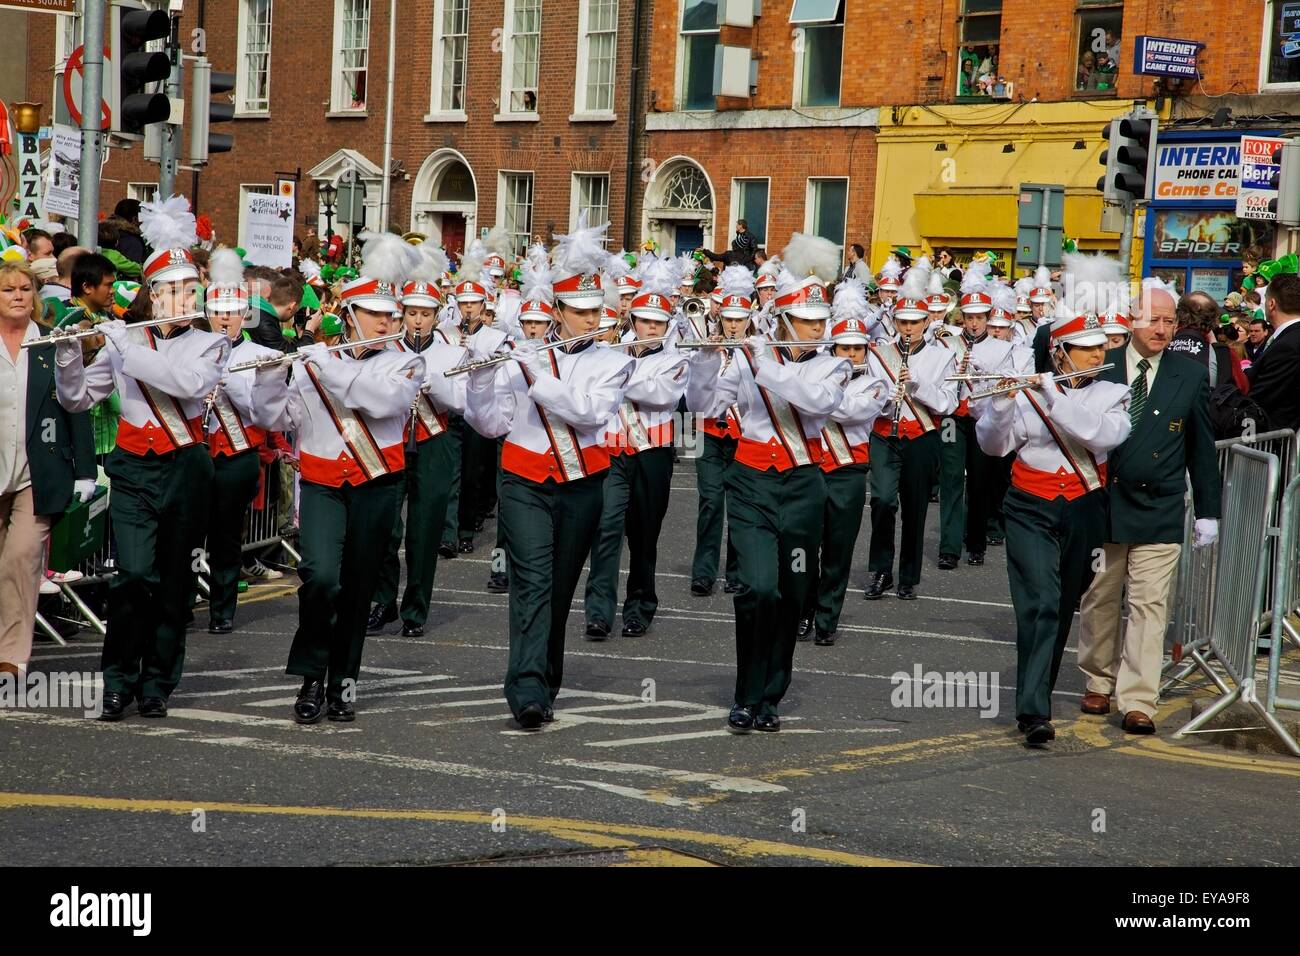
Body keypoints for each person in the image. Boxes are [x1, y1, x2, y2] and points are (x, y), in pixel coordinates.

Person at [54, 195, 229, 721]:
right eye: (170, 289)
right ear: (151, 295)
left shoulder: (209, 344)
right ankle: (117, 679)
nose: (180, 297)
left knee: (173, 581)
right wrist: (68, 355)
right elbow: (78, 399)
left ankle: (158, 681)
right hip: (132, 468)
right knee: (131, 576)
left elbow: (188, 386)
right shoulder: (123, 339)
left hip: (183, 468)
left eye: (187, 289)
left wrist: (125, 348)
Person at [464, 216, 633, 730]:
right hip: (523, 484)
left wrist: (534, 372)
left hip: (583, 485)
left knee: (560, 588)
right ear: (556, 310)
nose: (588, 319)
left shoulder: (613, 361)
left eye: (594, 311)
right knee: (531, 583)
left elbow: (587, 413)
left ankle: (547, 679)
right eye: (578, 311)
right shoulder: (523, 356)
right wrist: (481, 374)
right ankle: (527, 687)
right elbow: (490, 423)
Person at [686, 235, 849, 733]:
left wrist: (763, 364)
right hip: (752, 483)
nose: (816, 330)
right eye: (806, 322)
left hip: (803, 487)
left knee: (791, 592)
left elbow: (814, 403)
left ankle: (771, 697)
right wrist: (710, 359)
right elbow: (705, 406)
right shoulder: (752, 356)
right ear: (783, 321)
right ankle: (746, 693)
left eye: (821, 322)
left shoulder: (833, 363)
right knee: (757, 588)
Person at [276, 233, 424, 724]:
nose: (388, 321)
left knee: (359, 586)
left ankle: (344, 680)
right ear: (351, 313)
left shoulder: (406, 360)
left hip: (377, 483)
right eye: (377, 313)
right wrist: (266, 379)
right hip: (321, 482)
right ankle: (311, 674)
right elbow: (281, 417)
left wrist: (319, 363)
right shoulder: (316, 361)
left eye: (392, 314)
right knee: (319, 577)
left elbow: (383, 402)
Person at [976, 284, 1132, 745]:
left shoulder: (1113, 392)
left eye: (1097, 346)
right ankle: (1033, 711)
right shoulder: (1028, 393)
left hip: (1085, 507)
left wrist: (1052, 396)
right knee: (1040, 600)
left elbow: (1100, 437)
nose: (1094, 354)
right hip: (1029, 506)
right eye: (1083, 349)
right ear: (1059, 353)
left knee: (1063, 604)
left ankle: (1037, 688)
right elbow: (992, 445)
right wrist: (1003, 404)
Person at [1077, 277, 1221, 735]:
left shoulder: (1191, 373)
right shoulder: (1104, 365)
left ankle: (1138, 697)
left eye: (1168, 320)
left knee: (1149, 604)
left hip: (1160, 504)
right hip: (1106, 503)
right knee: (1100, 596)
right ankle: (1098, 679)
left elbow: (1202, 447)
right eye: (1152, 319)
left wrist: (1208, 511)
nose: (1161, 329)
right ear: (1130, 320)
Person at [584, 255, 689, 639]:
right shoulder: (609, 349)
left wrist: (613, 372)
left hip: (652, 455)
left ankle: (640, 606)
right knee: (605, 530)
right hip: (613, 453)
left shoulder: (675, 360)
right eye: (645, 321)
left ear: (666, 326)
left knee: (644, 536)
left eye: (658, 323)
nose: (651, 328)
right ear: (633, 320)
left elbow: (659, 395)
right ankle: (598, 610)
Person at [0, 260, 96, 676]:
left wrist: (86, 471)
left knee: (20, 559)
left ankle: (11, 656)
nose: (18, 296)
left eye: (24, 289)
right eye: (8, 290)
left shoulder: (51, 345)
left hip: (38, 474)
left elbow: (77, 406)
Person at [370, 247, 469, 638]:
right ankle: (383, 602)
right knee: (383, 526)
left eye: (425, 314)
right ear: (401, 313)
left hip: (434, 441)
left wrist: (436, 385)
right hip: (390, 441)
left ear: (435, 316)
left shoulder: (452, 352)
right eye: (411, 313)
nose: (417, 320)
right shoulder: (386, 351)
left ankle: (416, 609)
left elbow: (461, 402)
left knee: (424, 531)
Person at [200, 249, 290, 635]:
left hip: (237, 453)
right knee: (186, 530)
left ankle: (222, 608)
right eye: (218, 311)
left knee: (226, 533)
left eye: (231, 312)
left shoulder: (263, 355)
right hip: (195, 451)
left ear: (243, 316)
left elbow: (262, 411)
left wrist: (226, 382)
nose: (224, 318)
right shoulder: (191, 348)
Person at [863, 264, 959, 600]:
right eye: (902, 322)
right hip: (884, 435)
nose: (908, 328)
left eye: (914, 322)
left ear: (926, 322)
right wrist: (884, 399)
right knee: (882, 501)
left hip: (922, 436)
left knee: (915, 507)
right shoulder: (880, 354)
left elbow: (948, 403)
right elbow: (867, 397)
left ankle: (908, 576)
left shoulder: (941, 356)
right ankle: (880, 570)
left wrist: (917, 387)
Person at [800, 282, 888, 646]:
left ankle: (827, 617)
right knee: (804, 548)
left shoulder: (875, 384)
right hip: (813, 469)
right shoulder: (815, 373)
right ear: (831, 348)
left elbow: (852, 412)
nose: (851, 355)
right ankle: (803, 609)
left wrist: (815, 397)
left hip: (848, 473)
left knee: (838, 550)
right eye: (844, 348)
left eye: (857, 348)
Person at [1247, 271, 1300, 433]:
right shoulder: (1286, 338)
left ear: (1271, 304)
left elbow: (1262, 397)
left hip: (1275, 439)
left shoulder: (1289, 345)